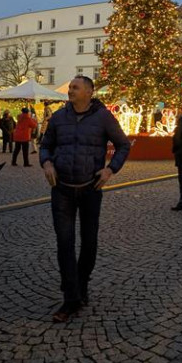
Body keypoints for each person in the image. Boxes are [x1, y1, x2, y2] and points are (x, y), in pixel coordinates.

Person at [40, 75, 131, 323]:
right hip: (62, 190)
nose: (70, 90)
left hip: (90, 189)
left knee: (89, 243)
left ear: (89, 92)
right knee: (64, 243)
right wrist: (46, 162)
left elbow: (124, 145)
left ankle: (82, 284)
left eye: (75, 87)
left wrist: (111, 169)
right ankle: (71, 298)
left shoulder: (103, 118)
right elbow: (45, 145)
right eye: (69, 87)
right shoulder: (58, 117)